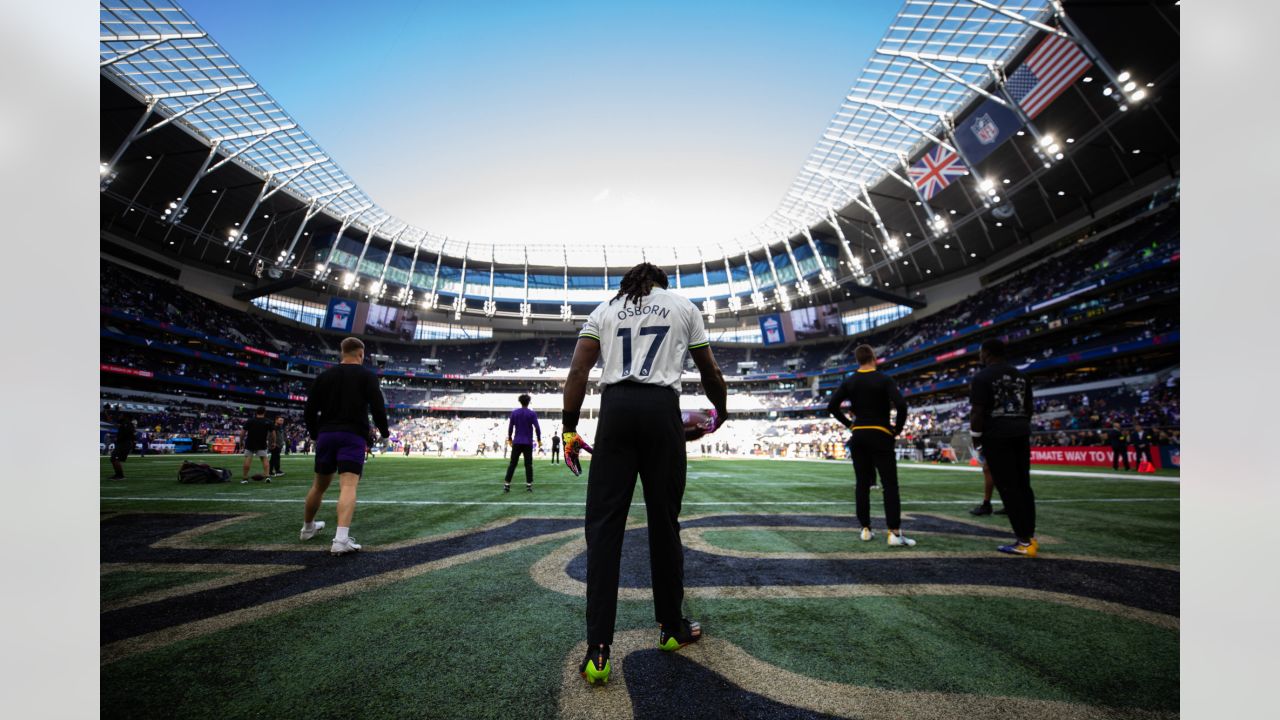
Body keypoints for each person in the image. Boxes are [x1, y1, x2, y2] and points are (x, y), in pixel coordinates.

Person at [562, 262, 728, 686]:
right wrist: (720, 412)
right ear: (661, 284)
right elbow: (709, 371)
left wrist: (568, 427)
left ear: (630, 284)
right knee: (664, 524)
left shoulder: (605, 309)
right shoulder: (682, 306)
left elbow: (579, 371)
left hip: (615, 412)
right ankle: (671, 626)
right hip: (661, 413)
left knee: (603, 531)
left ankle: (598, 650)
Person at [301, 337, 389, 556]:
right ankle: (340, 539)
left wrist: (314, 434)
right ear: (360, 354)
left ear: (342, 352)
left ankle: (307, 528)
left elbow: (309, 410)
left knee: (318, 485)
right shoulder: (367, 376)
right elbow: (378, 407)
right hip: (352, 435)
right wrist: (385, 434)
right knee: (348, 486)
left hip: (327, 434)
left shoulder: (324, 376)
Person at [826, 345, 915, 547]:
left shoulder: (849, 381)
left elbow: (832, 406)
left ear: (857, 360)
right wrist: (897, 429)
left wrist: (850, 424)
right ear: (874, 357)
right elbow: (901, 405)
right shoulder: (884, 379)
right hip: (881, 434)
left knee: (862, 484)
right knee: (889, 484)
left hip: (859, 435)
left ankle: (865, 529)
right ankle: (894, 532)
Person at [969, 338, 1037, 557]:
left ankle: (1023, 541)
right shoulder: (1021, 376)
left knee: (1007, 487)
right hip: (1020, 431)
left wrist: (976, 437)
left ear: (986, 353)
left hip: (997, 435)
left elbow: (978, 412)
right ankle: (1029, 536)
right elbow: (1029, 408)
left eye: (981, 352)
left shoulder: (982, 377)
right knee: (1024, 485)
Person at [503, 394, 542, 493]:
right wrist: (539, 439)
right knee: (528, 464)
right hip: (528, 442)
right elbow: (537, 427)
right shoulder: (532, 413)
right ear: (528, 402)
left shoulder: (514, 413)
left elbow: (510, 427)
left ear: (520, 402)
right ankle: (529, 485)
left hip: (517, 441)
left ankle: (507, 485)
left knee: (512, 464)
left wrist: (510, 438)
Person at [241, 407, 273, 483]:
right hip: (262, 443)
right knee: (264, 459)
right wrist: (274, 442)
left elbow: (243, 432)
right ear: (264, 412)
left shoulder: (250, 420)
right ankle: (267, 476)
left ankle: (245, 478)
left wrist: (241, 441)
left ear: (256, 412)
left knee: (248, 459)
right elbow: (273, 433)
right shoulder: (268, 421)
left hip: (250, 442)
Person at [108, 413, 135, 480]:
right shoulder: (126, 423)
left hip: (124, 443)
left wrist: (118, 438)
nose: (120, 416)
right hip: (124, 443)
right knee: (114, 459)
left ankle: (120, 475)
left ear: (125, 417)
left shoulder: (126, 424)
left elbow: (126, 434)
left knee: (114, 458)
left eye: (121, 415)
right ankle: (118, 475)